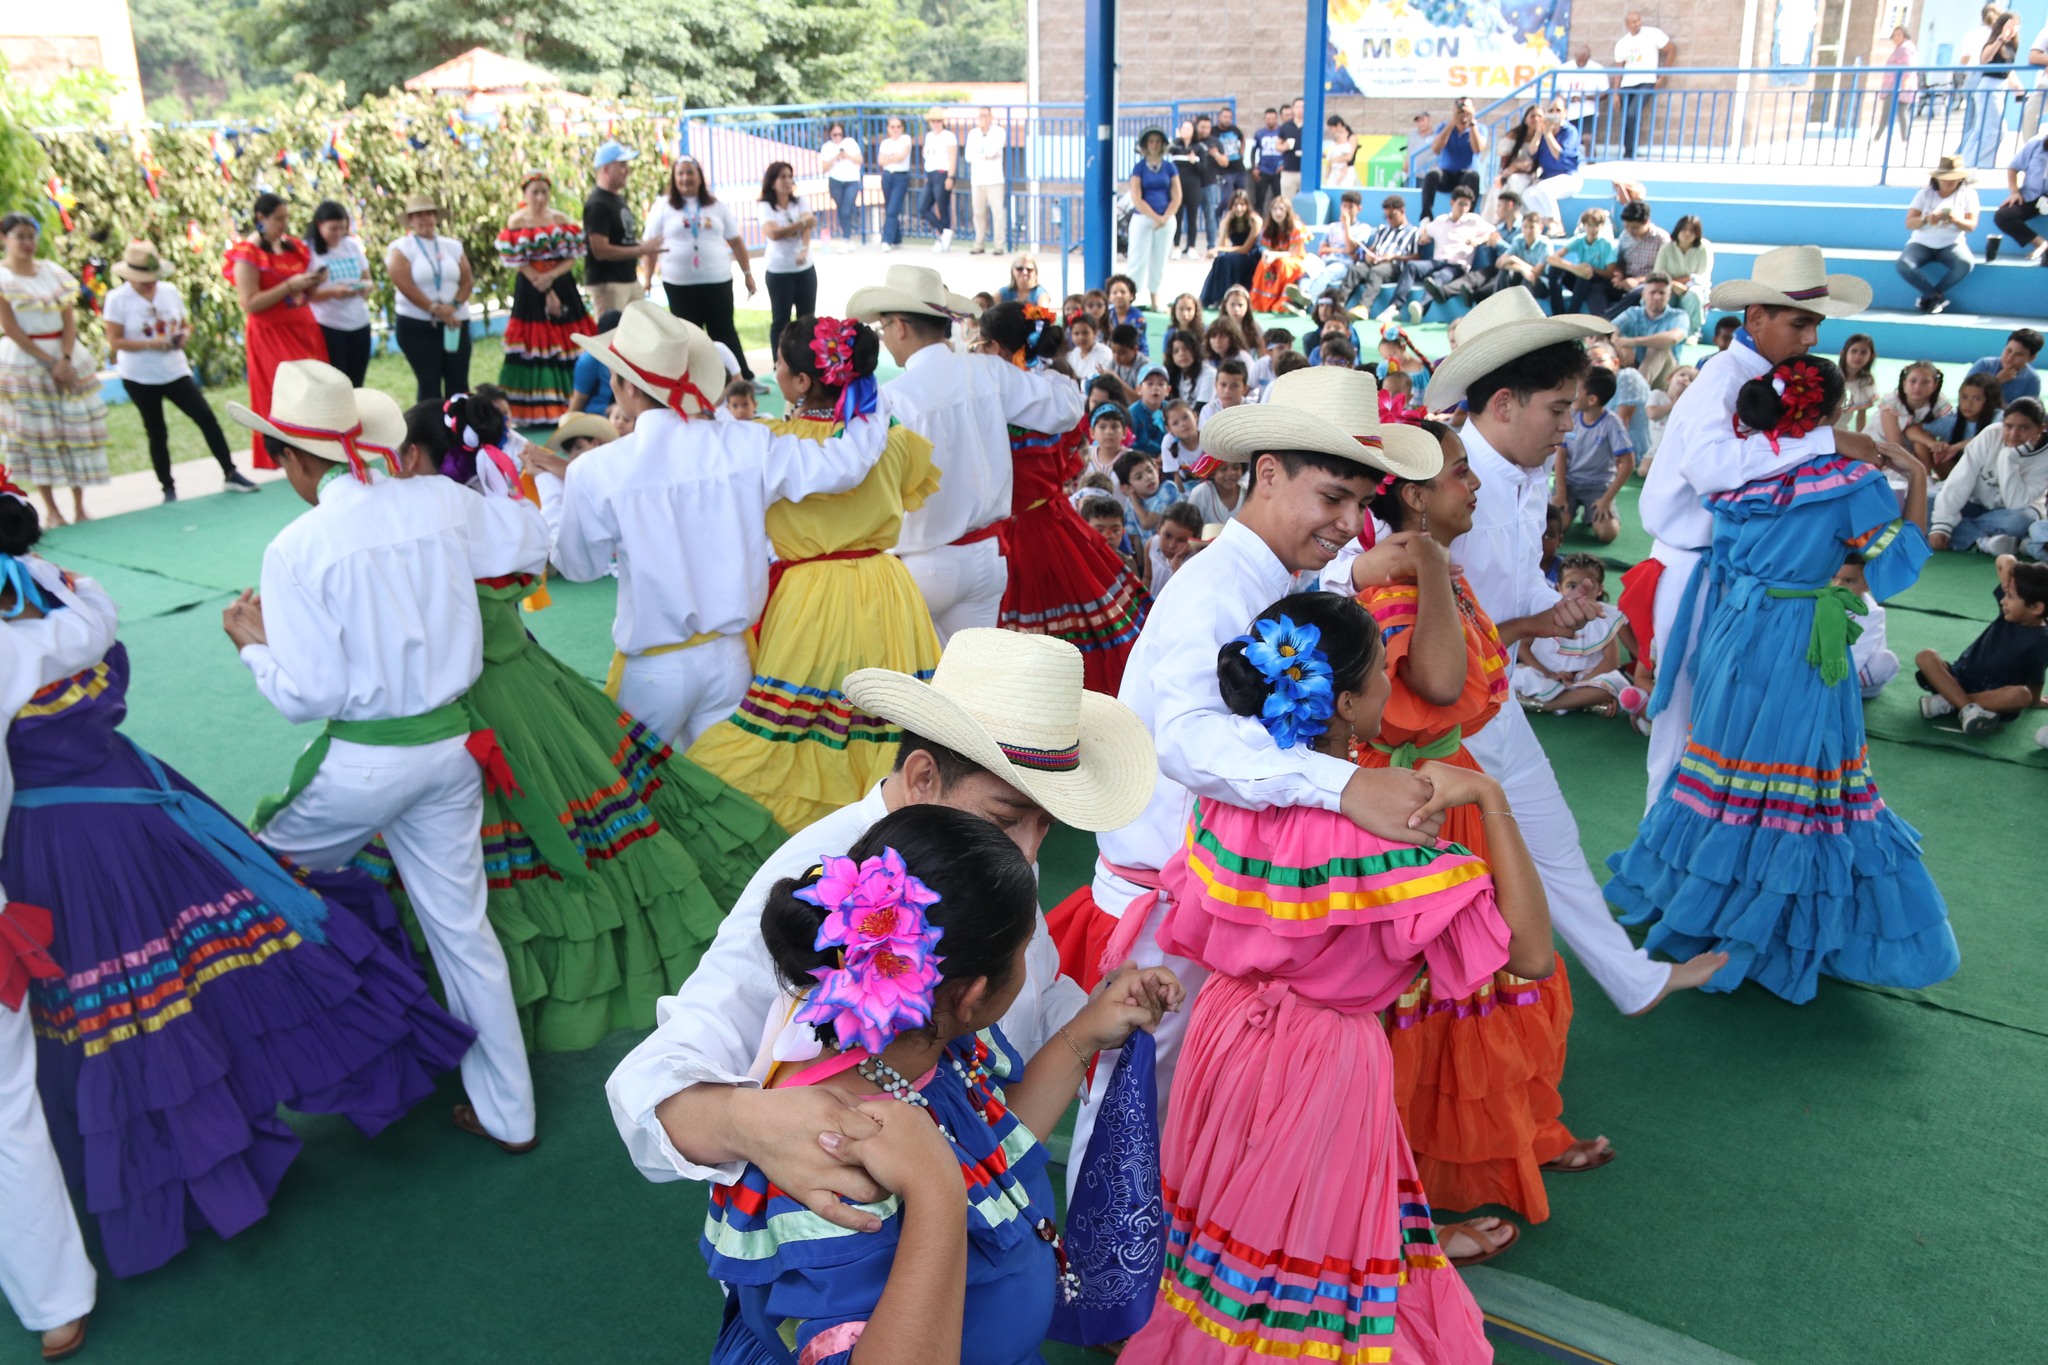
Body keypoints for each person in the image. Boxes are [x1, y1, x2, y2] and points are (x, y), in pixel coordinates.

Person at [0, 477, 472, 1284]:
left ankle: (180, 1179)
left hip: (59, 835)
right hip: (141, 798)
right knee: (230, 947)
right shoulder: (71, 597)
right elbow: (96, 639)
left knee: (122, 1001)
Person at [1047, 370, 1456, 1239]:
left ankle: (1159, 1277)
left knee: (1194, 1087)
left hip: (1216, 893)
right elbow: (1192, 738)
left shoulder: (1272, 571)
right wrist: (1347, 784)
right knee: (1137, 1092)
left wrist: (1352, 562)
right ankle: (1102, 1291)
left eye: (1359, 503)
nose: (1349, 522)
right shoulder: (1215, 589)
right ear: (1266, 473)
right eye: (1334, 497)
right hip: (1169, 898)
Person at [604, 630, 1157, 1247]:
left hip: (978, 1175)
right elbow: (650, 1080)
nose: (1027, 850)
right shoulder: (824, 877)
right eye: (1007, 819)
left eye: (1044, 825)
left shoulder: (988, 852)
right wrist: (742, 1119)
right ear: (922, 776)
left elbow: (1031, 994)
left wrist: (1089, 1012)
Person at [1119, 589, 1542, 1365]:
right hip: (1319, 1061)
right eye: (1383, 670)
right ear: (1344, 701)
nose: (1392, 684)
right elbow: (1531, 955)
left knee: (1226, 1240)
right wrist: (1490, 796)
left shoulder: (1226, 793)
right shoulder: (1384, 827)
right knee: (1303, 1247)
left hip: (1224, 1036)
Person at [1333, 289, 1727, 1016]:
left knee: (1550, 842)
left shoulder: (1500, 474)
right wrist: (1526, 625)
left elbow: (1491, 608)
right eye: (1559, 408)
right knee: (1459, 881)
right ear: (1506, 404)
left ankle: (1629, 980)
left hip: (1497, 703)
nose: (1570, 427)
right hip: (1445, 729)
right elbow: (1382, 598)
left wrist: (1545, 616)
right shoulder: (1445, 492)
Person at [695, 800, 1178, 1365]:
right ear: (971, 996)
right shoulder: (831, 1162)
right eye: (1025, 952)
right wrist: (934, 1189)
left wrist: (1084, 1033)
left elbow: (990, 1149)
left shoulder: (914, 1049)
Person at [226, 362, 556, 1157]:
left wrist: (253, 646)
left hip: (367, 763)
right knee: (464, 931)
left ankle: (247, 1080)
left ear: (299, 460)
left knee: (244, 887)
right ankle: (510, 1111)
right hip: (452, 750)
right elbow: (527, 536)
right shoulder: (439, 500)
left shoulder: (297, 545)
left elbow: (311, 693)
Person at [1608, 356, 1959, 1005]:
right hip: (1798, 639)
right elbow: (1895, 561)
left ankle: (1702, 914)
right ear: (1830, 414)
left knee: (1722, 773)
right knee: (1803, 780)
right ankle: (1774, 932)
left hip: (1732, 630)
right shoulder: (1849, 481)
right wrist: (1911, 474)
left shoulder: (1742, 474)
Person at [1348, 430, 1610, 1240]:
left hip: (1448, 789)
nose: (1476, 485)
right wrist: (1427, 563)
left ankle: (1514, 1140)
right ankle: (1403, 1205)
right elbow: (1438, 680)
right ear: (1414, 497)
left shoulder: (1435, 574)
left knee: (1484, 982)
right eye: (1460, 472)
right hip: (1413, 807)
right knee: (1435, 994)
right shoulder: (1403, 582)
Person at [550, 304, 887, 747]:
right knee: (724, 794)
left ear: (627, 386)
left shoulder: (596, 470)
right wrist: (870, 402)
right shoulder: (747, 443)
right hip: (732, 660)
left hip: (654, 668)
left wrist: (550, 502)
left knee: (631, 795)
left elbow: (578, 567)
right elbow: (846, 465)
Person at [1629, 246, 1885, 807]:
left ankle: (1693, 849)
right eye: (1800, 323)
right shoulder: (1725, 375)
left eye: (1815, 324)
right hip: (1696, 566)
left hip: (1732, 574)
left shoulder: (1767, 376)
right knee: (1686, 722)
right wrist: (1823, 440)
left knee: (1721, 719)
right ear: (1756, 318)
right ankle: (1662, 851)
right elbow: (1711, 467)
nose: (1812, 339)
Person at [684, 315, 941, 834]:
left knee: (797, 723)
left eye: (778, 364)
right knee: (884, 716)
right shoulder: (893, 440)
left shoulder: (774, 443)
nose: (774, 371)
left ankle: (815, 833)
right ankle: (896, 813)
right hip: (886, 589)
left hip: (812, 596)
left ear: (802, 381)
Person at [849, 265, 1085, 641]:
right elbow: (1065, 409)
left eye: (883, 328)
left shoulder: (896, 398)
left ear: (900, 326)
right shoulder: (987, 370)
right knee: (968, 687)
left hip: (925, 563)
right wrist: (1044, 367)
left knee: (910, 686)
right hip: (987, 560)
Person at [978, 304, 1147, 694]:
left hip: (1013, 530)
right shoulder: (1059, 384)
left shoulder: (993, 391)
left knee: (1015, 638)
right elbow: (1067, 460)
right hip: (1055, 522)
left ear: (996, 346)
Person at [101, 239, 256, 504]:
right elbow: (115, 342)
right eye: (143, 278)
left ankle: (230, 471)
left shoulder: (169, 290)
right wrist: (151, 343)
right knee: (157, 431)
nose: (149, 283)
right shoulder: (117, 299)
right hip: (139, 376)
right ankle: (168, 488)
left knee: (205, 416)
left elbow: (183, 324)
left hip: (174, 369)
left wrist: (182, 335)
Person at [224, 194, 328, 474]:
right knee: (283, 392)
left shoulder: (294, 248)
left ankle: (320, 450)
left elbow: (305, 296)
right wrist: (289, 286)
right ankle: (286, 456)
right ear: (261, 218)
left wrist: (312, 284)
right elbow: (250, 302)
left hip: (304, 327)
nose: (284, 224)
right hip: (271, 332)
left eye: (286, 218)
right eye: (278, 219)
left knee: (315, 388)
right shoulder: (248, 253)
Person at [644, 155, 758, 385]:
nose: (685, 178)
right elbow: (650, 246)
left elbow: (736, 242)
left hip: (717, 280)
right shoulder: (663, 207)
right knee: (689, 335)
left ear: (699, 177)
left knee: (724, 330)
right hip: (679, 284)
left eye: (690, 173)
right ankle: (695, 382)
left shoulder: (715, 205)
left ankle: (741, 379)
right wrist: (647, 278)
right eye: (680, 173)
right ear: (674, 178)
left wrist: (748, 274)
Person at [495, 169, 597, 424]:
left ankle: (573, 399)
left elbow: (571, 257)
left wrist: (551, 278)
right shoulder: (517, 221)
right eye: (534, 192)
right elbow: (517, 261)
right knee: (534, 343)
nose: (540, 197)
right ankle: (536, 407)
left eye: (544, 192)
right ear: (525, 194)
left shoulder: (560, 218)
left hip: (561, 283)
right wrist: (540, 282)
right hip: (530, 287)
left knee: (568, 338)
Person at [1916, 553, 2048, 732]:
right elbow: (2002, 561)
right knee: (1926, 656)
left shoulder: (2041, 640)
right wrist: (2009, 563)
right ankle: (1965, 706)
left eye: (2010, 597)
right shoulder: (2009, 612)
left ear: (2036, 608)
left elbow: (2036, 678)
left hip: (1993, 695)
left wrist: (2035, 701)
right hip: (1959, 677)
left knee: (2022, 696)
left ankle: (1951, 701)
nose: (2003, 600)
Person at [1513, 554, 1641, 716]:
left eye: (1588, 586)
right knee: (1516, 676)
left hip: (1587, 678)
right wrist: (1548, 673)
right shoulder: (1546, 610)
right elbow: (1523, 647)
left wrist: (1581, 682)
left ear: (1600, 589)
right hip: (1546, 674)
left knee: (1617, 683)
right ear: (1559, 588)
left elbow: (1610, 661)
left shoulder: (1605, 616)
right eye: (1572, 586)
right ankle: (1583, 703)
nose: (1580, 592)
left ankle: (1548, 705)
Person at [1929, 396, 2048, 553]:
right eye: (2008, 426)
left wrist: (2008, 457)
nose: (2013, 434)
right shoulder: (1990, 434)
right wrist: (1942, 524)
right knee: (1923, 501)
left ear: (2041, 429)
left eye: (2024, 428)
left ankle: (1975, 540)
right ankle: (1987, 541)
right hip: (1972, 504)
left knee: (2020, 521)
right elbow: (1960, 480)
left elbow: (2016, 503)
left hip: (2009, 514)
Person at [386, 193, 474, 404]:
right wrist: (435, 309)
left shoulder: (452, 246)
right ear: (410, 220)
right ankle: (430, 433)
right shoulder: (402, 248)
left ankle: (460, 430)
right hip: (418, 325)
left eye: (428, 214)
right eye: (418, 215)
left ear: (435, 217)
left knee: (458, 382)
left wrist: (452, 307)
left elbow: (467, 280)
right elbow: (403, 282)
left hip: (455, 322)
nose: (424, 219)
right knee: (429, 384)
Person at [1387, 183, 1497, 323]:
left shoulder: (1474, 221)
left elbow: (1493, 232)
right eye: (1460, 204)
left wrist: (1478, 239)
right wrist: (1424, 236)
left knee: (1439, 277)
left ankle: (1421, 308)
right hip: (1436, 261)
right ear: (1452, 202)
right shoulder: (1441, 220)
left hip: (1457, 267)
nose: (1463, 208)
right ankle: (1394, 307)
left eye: (1467, 205)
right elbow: (1425, 230)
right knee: (1412, 266)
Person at [583, 140, 660, 315]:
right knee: (612, 336)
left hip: (628, 280)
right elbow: (600, 250)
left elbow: (623, 240)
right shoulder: (598, 204)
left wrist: (647, 246)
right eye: (622, 165)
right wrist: (641, 249)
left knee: (637, 334)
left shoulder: (616, 199)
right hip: (609, 285)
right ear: (606, 169)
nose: (627, 170)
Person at [1559, 364, 1635, 541]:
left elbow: (1628, 463)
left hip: (1598, 488)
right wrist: (1561, 493)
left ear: (1592, 399)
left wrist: (1606, 499)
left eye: (1577, 390)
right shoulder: (1572, 415)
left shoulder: (1611, 423)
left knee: (1608, 533)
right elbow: (1561, 455)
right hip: (1569, 484)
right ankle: (1577, 513)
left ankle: (1590, 515)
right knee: (1558, 525)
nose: (1572, 393)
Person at [1898, 156, 1980, 314]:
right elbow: (1909, 223)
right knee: (1904, 264)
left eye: (1954, 179)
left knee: (1965, 263)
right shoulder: (1924, 194)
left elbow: (1971, 226)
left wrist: (1956, 220)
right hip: (1921, 243)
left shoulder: (1969, 195)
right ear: (1937, 179)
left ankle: (1931, 296)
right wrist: (1926, 219)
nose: (1949, 182)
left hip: (1952, 244)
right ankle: (1935, 297)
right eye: (1945, 179)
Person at [306, 200, 374, 384]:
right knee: (336, 382)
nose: (338, 234)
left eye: (342, 228)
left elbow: (367, 279)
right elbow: (308, 294)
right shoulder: (310, 251)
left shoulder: (351, 245)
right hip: (329, 324)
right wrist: (333, 292)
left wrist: (364, 288)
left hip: (359, 321)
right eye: (333, 229)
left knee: (357, 381)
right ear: (320, 225)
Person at [758, 161, 818, 362]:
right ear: (772, 181)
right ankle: (780, 362)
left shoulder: (799, 202)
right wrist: (800, 223)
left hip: (804, 269)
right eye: (782, 177)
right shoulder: (765, 206)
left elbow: (811, 224)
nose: (787, 181)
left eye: (789, 176)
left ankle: (806, 361)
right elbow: (773, 233)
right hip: (779, 271)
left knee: (807, 319)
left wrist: (804, 248)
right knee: (781, 320)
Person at [1957, 11, 2024, 168]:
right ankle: (1975, 165)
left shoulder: (2012, 45)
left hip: (1999, 87)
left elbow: (2009, 70)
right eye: (2011, 25)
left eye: (2016, 26)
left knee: (1982, 130)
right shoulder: (1995, 42)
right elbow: (1984, 59)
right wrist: (2001, 38)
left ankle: (1966, 164)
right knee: (1993, 131)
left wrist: (2017, 87)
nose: (2014, 29)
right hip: (1989, 86)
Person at [1508, 100, 1584, 230]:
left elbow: (1559, 155)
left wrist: (1548, 134)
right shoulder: (1543, 132)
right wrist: (1539, 132)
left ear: (1565, 113)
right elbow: (1532, 152)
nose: (1554, 114)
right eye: (1551, 111)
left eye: (1558, 110)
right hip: (1547, 177)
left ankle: (1557, 223)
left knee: (1544, 188)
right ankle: (1549, 224)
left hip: (1568, 177)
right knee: (1527, 194)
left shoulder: (1570, 131)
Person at [1126, 128, 1180, 308]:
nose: (1154, 145)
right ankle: (1130, 298)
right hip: (1143, 218)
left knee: (1160, 259)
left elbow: (1177, 196)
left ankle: (1156, 298)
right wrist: (1154, 216)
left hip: (1166, 220)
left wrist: (1165, 217)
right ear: (1145, 145)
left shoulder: (1170, 167)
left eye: (1158, 141)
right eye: (1151, 142)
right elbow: (1137, 197)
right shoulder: (1139, 168)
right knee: (1137, 258)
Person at [1834, 558, 1900, 700]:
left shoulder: (1873, 613)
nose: (1838, 585)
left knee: (1886, 661)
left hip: (1854, 673)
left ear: (1867, 584)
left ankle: (1843, 694)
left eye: (1849, 581)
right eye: (1834, 577)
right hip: (1824, 666)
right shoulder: (1818, 599)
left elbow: (1857, 657)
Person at [1611, 272, 1687, 388]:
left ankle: (1635, 391)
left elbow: (1673, 338)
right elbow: (1610, 330)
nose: (1657, 297)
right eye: (1653, 292)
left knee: (1659, 348)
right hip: (1635, 366)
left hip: (1666, 376)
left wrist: (1633, 342)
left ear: (1669, 295)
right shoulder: (1633, 313)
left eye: (1662, 293)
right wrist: (1621, 345)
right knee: (1604, 345)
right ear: (1643, 294)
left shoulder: (1678, 315)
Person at [1614, 10, 1674, 158]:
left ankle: (1629, 153)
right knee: (1626, 117)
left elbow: (1671, 50)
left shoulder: (1652, 34)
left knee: (1633, 114)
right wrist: (1615, 92)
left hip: (1646, 81)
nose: (1637, 24)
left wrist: (1662, 76)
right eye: (1633, 22)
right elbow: (1619, 70)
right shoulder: (1622, 43)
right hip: (1627, 84)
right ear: (1627, 25)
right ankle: (1627, 151)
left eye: (1639, 20)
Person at [1546, 207, 1622, 316]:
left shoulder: (1606, 244)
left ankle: (1573, 312)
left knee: (1585, 272)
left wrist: (1591, 268)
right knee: (1554, 269)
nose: (1592, 229)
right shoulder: (1579, 240)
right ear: (1584, 225)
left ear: (1601, 226)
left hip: (1597, 280)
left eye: (1596, 225)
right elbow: (1551, 258)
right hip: (1578, 278)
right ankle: (1557, 311)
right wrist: (1574, 268)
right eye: (1589, 225)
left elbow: (1611, 272)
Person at [1424, 96, 1488, 218]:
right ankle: (1426, 215)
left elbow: (1478, 149)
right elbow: (1436, 149)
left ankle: (1469, 216)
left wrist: (1471, 124)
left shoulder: (1480, 129)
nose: (1462, 110)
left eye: (1466, 107)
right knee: (1432, 175)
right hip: (1446, 176)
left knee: (1472, 176)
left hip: (1465, 178)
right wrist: (1452, 123)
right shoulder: (1444, 127)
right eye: (1459, 107)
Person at [1246, 194, 1310, 313]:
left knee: (1283, 265)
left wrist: (1274, 255)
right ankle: (1259, 302)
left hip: (1296, 261)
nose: (1278, 212)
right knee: (1262, 265)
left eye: (1281, 209)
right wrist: (1266, 253)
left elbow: (1293, 253)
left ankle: (1283, 303)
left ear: (1288, 211)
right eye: (1274, 209)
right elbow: (1266, 247)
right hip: (1275, 259)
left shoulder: (1296, 227)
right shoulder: (1270, 228)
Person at [1653, 212, 1713, 334]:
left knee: (1694, 294)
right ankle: (1659, 329)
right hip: (1668, 285)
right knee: (1656, 293)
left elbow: (1703, 277)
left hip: (1693, 287)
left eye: (1692, 230)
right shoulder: (1666, 248)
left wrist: (1683, 284)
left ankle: (1692, 332)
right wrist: (1672, 284)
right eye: (1684, 229)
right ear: (1678, 230)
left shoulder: (1704, 247)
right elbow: (1658, 274)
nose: (1687, 233)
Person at [1993, 127, 2048, 257]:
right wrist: (2014, 192)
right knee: (2003, 216)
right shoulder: (2036, 143)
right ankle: (2040, 243)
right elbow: (2013, 167)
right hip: (2031, 196)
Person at [964, 107, 1007, 255]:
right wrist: (985, 155)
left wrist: (982, 154)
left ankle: (999, 245)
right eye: (980, 115)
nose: (983, 118)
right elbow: (969, 156)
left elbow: (994, 151)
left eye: (985, 115)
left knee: (997, 213)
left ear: (991, 117)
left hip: (994, 179)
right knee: (978, 213)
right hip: (977, 180)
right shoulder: (973, 134)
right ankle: (979, 243)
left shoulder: (998, 132)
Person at [1610, 200, 1671, 305]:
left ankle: (1606, 319)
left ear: (1646, 222)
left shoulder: (1661, 239)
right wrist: (1619, 275)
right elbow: (1620, 262)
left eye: (1634, 228)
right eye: (1626, 226)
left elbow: (1664, 272)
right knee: (1596, 287)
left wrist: (1638, 281)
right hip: (1626, 280)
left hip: (1648, 282)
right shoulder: (1625, 236)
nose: (1629, 231)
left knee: (1639, 293)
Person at [1967, 327, 2044, 404]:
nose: (2009, 358)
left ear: (2031, 358)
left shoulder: (2032, 380)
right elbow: (1966, 395)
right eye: (2009, 350)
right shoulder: (1985, 365)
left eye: (2018, 355)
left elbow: (2027, 410)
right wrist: (1997, 381)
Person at [568, 307, 621, 418]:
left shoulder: (632, 355)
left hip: (624, 418)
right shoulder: (590, 359)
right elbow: (578, 401)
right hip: (597, 420)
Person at [819, 121, 864, 249]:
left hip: (851, 180)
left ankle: (846, 237)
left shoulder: (850, 143)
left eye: (840, 134)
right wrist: (835, 157)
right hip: (835, 181)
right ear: (830, 134)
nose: (838, 137)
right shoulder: (827, 147)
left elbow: (859, 159)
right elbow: (824, 167)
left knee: (846, 209)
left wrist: (846, 155)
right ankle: (847, 236)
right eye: (834, 135)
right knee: (841, 209)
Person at [920, 108, 960, 252]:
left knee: (942, 207)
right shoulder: (929, 136)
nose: (936, 123)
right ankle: (945, 231)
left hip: (943, 173)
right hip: (930, 174)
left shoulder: (948, 136)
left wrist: (951, 176)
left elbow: (953, 157)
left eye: (938, 120)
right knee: (922, 208)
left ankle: (944, 236)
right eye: (933, 121)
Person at [1559, 44, 1610, 148]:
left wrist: (1587, 97)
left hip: (1588, 111)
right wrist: (1568, 99)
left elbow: (1605, 93)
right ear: (1575, 56)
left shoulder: (1598, 69)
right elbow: (1557, 92)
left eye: (1584, 61)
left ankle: (1591, 163)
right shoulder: (1564, 68)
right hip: (1568, 112)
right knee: (1566, 141)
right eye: (1579, 60)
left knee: (1588, 139)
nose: (1581, 63)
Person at [877, 115, 914, 251]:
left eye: (898, 127)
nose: (895, 129)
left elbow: (902, 156)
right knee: (889, 208)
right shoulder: (885, 143)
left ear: (902, 128)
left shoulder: (906, 139)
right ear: (888, 129)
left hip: (900, 177)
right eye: (893, 127)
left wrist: (890, 157)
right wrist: (894, 157)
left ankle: (886, 240)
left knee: (893, 209)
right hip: (887, 176)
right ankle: (897, 238)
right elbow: (881, 161)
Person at [1885, 25, 1920, 141]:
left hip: (1901, 85)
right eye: (1894, 35)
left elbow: (1908, 67)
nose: (1896, 38)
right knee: (1901, 112)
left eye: (1899, 35)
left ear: (1905, 36)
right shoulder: (1905, 48)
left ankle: (1904, 138)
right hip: (1900, 85)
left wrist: (1904, 83)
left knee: (1899, 111)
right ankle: (1904, 138)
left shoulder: (1904, 49)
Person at [1250, 106, 1287, 215]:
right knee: (1260, 199)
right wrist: (1254, 168)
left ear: (1277, 119)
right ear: (1265, 119)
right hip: (1263, 170)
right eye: (1268, 118)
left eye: (1273, 118)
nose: (1270, 121)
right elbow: (1253, 151)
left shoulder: (1282, 132)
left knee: (1278, 199)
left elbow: (1287, 150)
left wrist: (1285, 164)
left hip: (1278, 170)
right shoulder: (1259, 133)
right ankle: (1259, 224)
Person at [1210, 104, 1249, 206]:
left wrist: (1241, 152)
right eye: (1225, 117)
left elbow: (1242, 139)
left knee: (1242, 198)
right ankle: (1217, 213)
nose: (1228, 120)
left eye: (1230, 117)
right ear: (1219, 117)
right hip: (1224, 170)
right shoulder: (1213, 131)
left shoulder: (1234, 129)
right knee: (1229, 199)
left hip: (1239, 168)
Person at [1278, 96, 1306, 204]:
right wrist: (1285, 146)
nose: (1300, 110)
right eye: (1297, 107)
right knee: (1287, 202)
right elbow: (1278, 146)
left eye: (1303, 107)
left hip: (1306, 171)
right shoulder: (1286, 126)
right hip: (1289, 170)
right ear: (1293, 109)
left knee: (1304, 203)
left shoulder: (1311, 125)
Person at [1323, 113, 1358, 188]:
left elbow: (1349, 157)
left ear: (1338, 125)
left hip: (1347, 169)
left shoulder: (1351, 137)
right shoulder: (1336, 138)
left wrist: (1334, 159)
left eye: (1332, 128)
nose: (1331, 131)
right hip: (1334, 169)